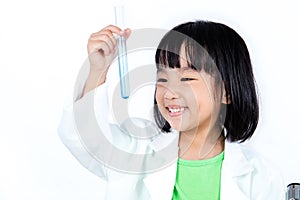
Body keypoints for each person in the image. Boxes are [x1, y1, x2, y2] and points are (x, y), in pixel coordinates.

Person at [58, 20, 285, 199]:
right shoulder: (135, 154)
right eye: (163, 78)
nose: (170, 93)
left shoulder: (260, 178)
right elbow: (84, 139)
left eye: (187, 78)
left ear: (226, 92)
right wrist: (99, 68)